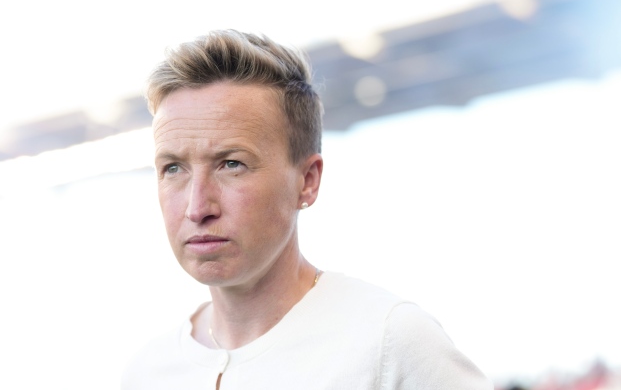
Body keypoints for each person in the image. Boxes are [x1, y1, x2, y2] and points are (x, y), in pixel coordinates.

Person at [121, 30, 492, 389]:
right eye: (173, 168)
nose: (197, 207)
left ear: (307, 181)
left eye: (232, 164)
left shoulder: (389, 344)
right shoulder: (149, 372)